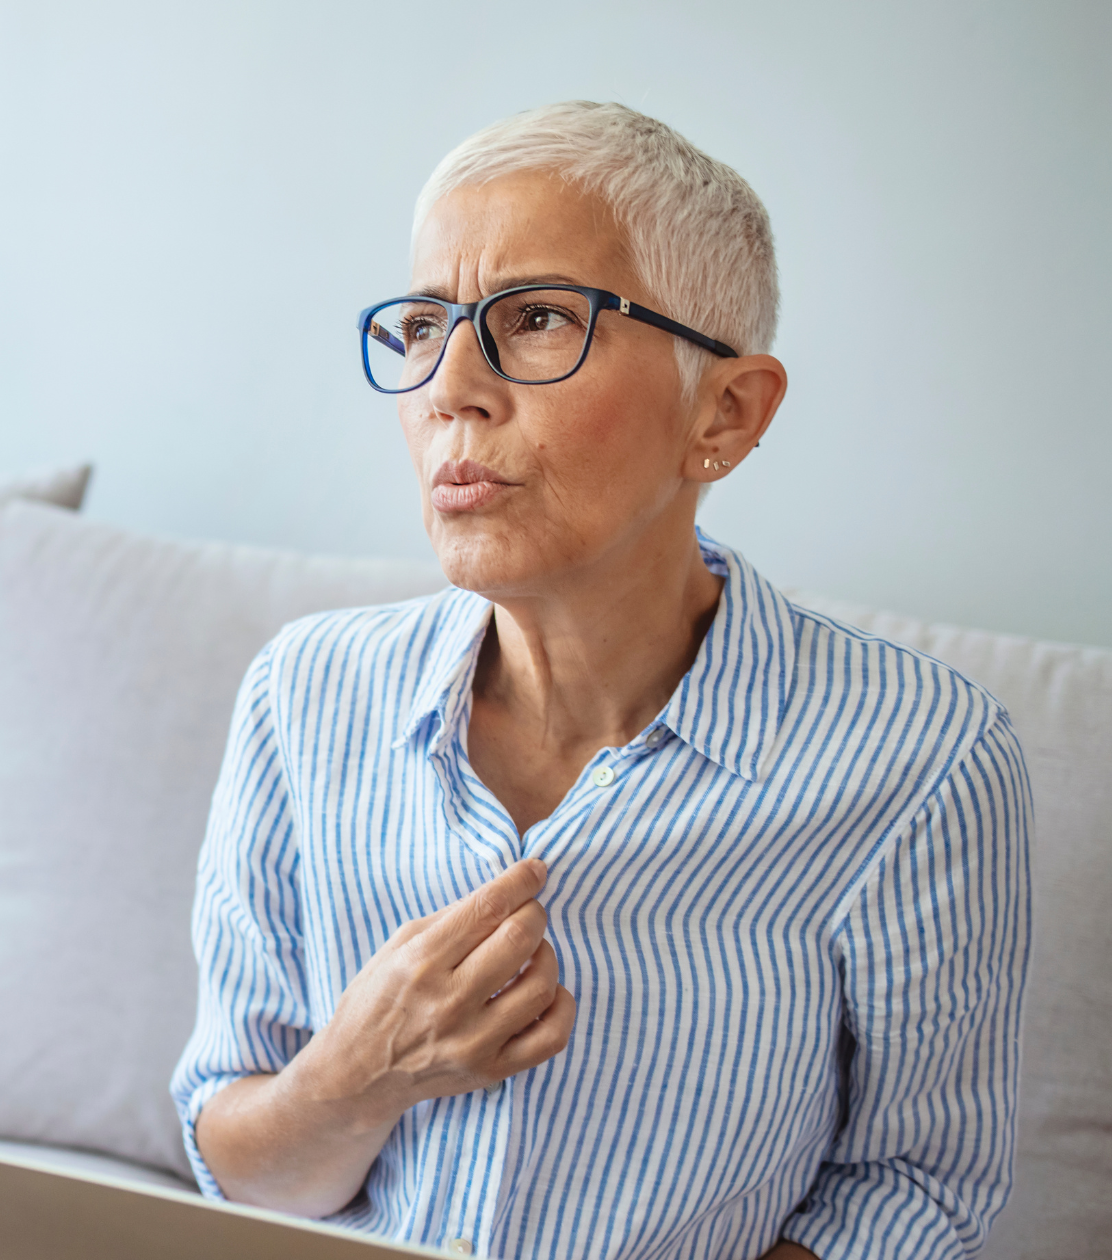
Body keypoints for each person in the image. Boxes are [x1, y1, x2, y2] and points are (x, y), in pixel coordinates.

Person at [170, 101, 1031, 1260]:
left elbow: (913, 1191)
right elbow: (237, 1164)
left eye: (532, 320)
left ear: (722, 413)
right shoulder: (301, 696)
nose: (447, 391)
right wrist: (353, 1077)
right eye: (423, 327)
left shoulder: (922, 759)